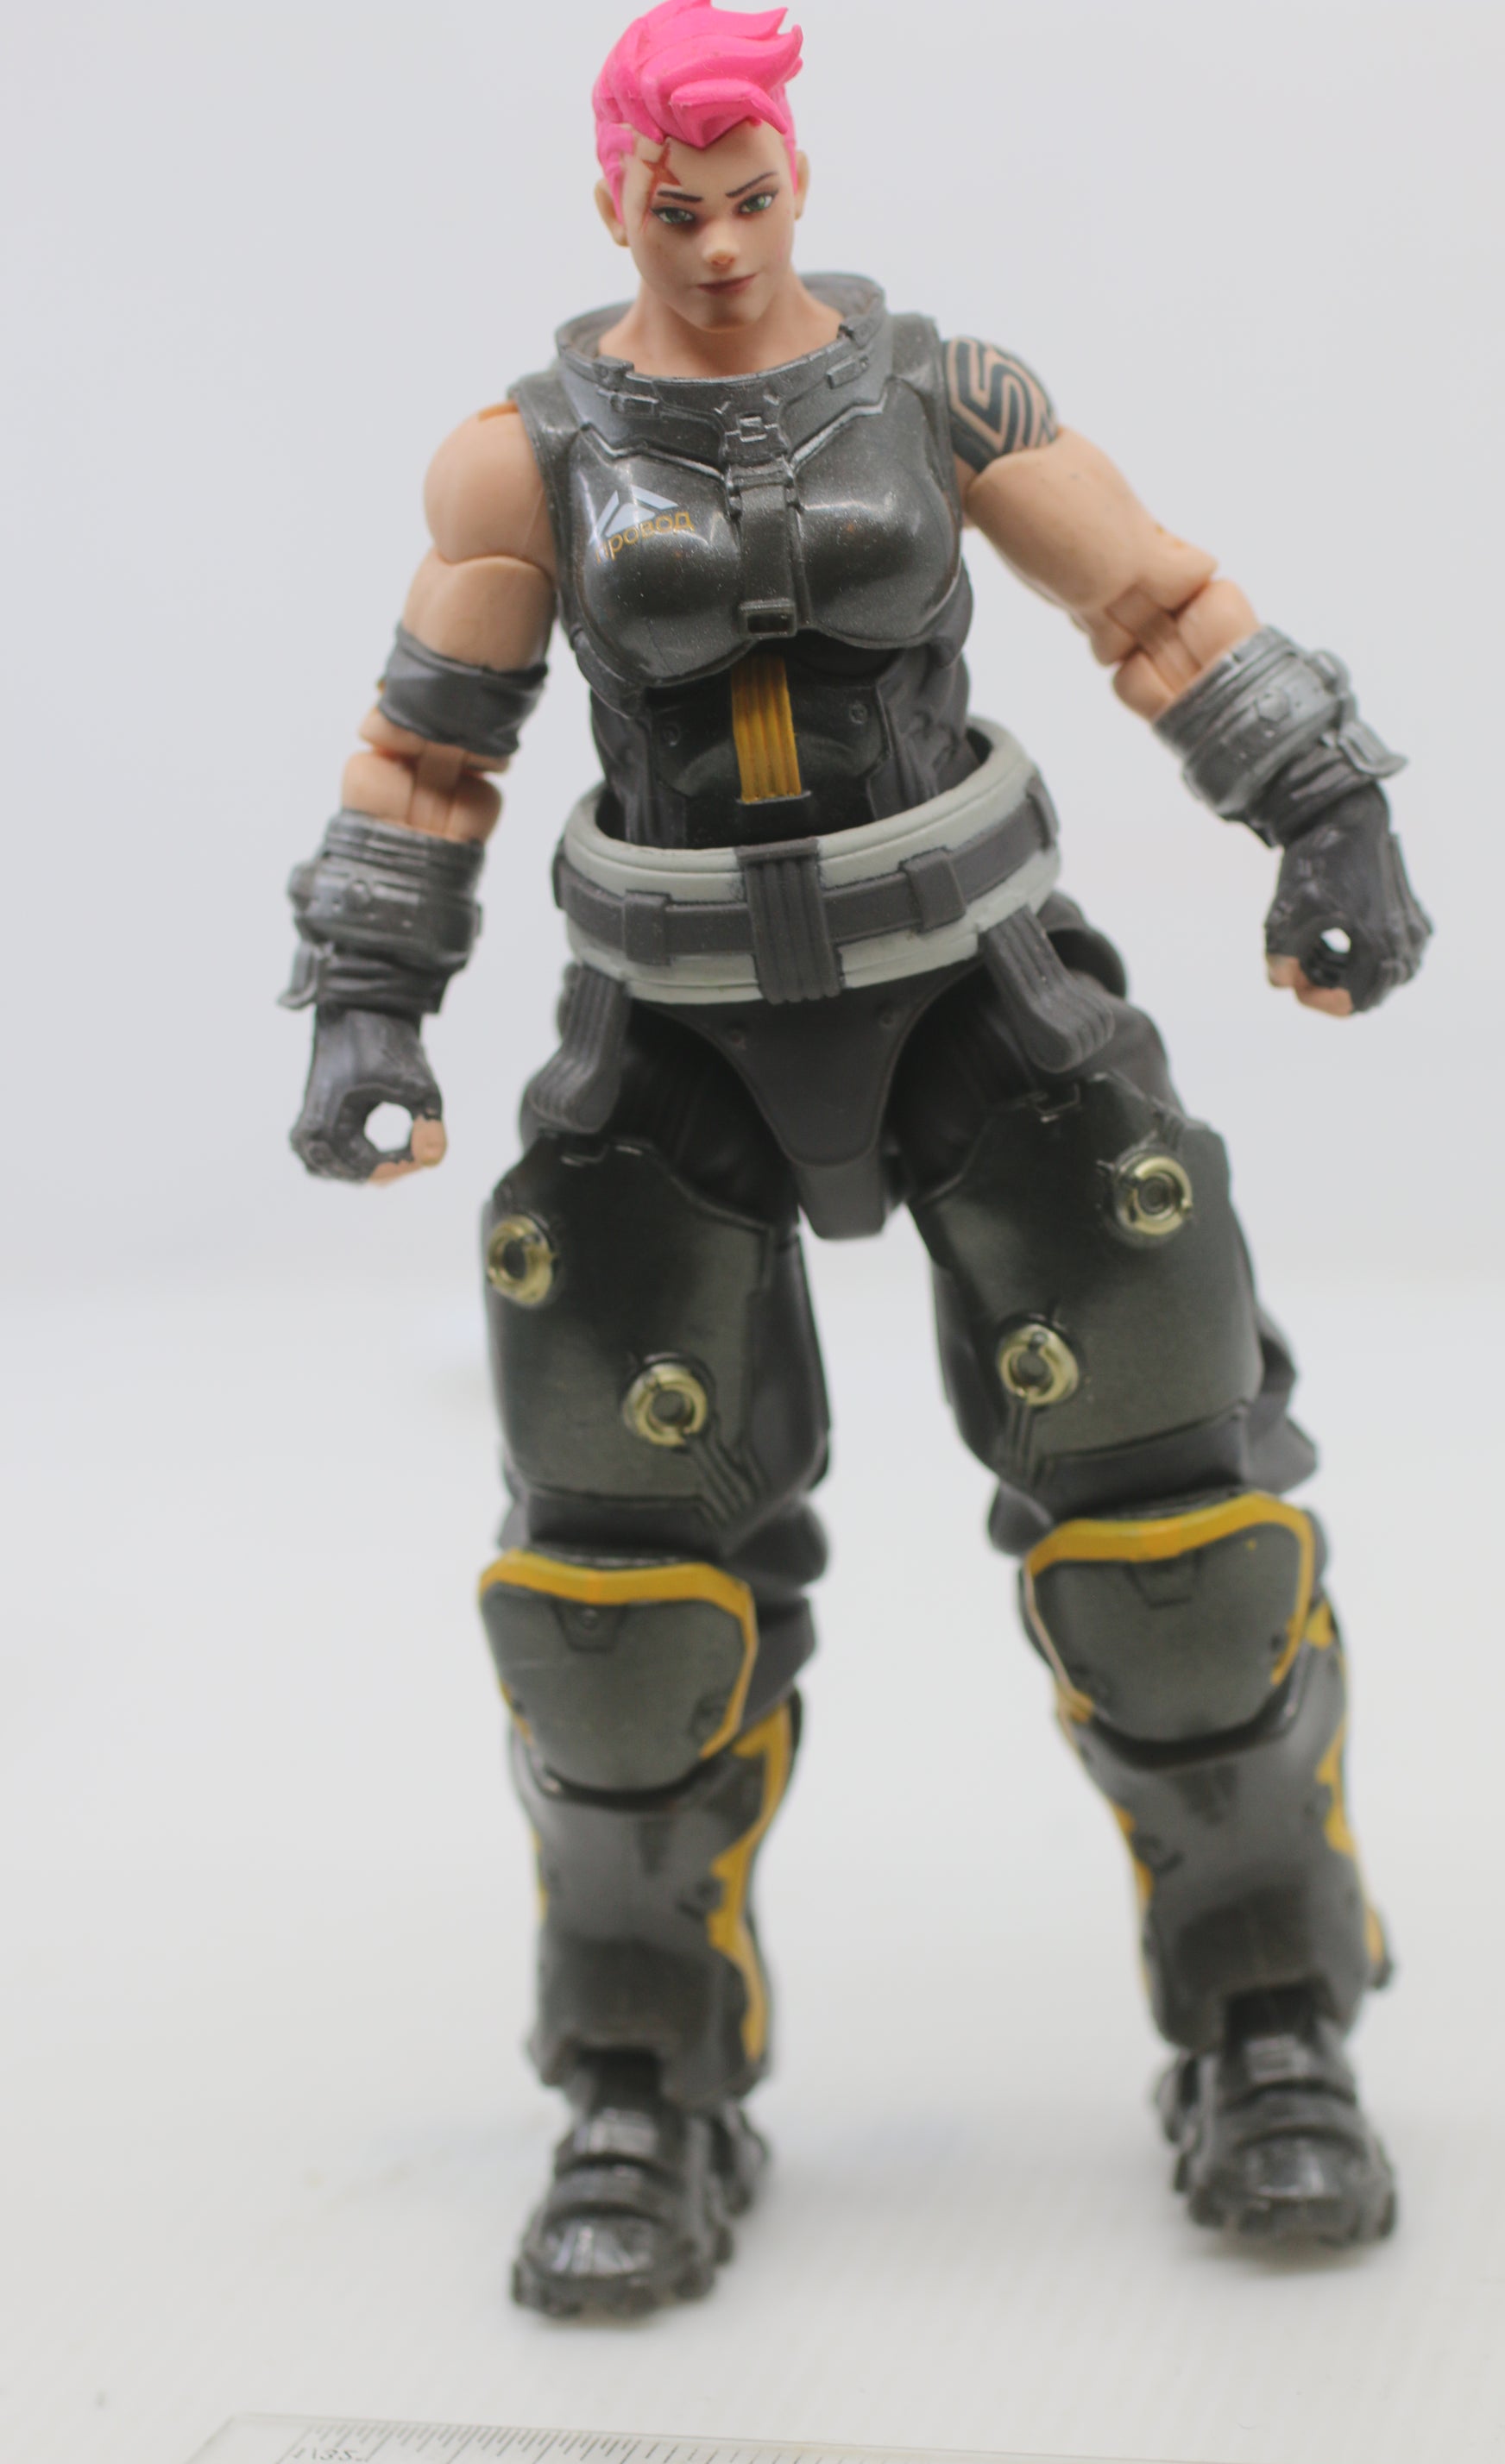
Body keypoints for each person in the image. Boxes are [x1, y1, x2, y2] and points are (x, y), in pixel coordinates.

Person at [283, 0, 1431, 2316]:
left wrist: (1323, 805)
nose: (716, 245)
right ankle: (643, 2079)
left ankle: (1267, 2026)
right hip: (670, 1037)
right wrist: (368, 996)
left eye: (748, 199)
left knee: (1179, 1546)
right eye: (671, 207)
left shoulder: (941, 391)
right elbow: (428, 749)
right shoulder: (521, 458)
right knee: (613, 1616)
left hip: (980, 1002)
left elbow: (1151, 597)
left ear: (796, 179)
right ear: (610, 198)